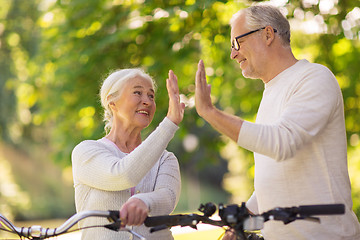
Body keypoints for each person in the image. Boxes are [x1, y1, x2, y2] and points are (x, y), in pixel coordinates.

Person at [195, 4, 360, 240]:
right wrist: (242, 217)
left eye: (236, 43)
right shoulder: (270, 93)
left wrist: (210, 113)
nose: (233, 54)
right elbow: (276, 176)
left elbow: (282, 143)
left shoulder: (314, 78)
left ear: (268, 34)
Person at [71, 68, 185, 240]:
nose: (147, 101)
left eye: (151, 96)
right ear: (112, 102)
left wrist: (144, 202)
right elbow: (123, 174)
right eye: (137, 93)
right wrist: (169, 124)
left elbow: (167, 198)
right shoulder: (86, 151)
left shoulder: (165, 158)